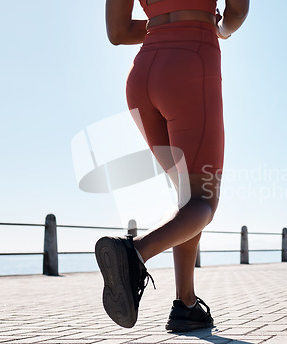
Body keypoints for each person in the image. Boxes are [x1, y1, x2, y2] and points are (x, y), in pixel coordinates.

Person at [95, 0, 249, 332]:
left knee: (186, 198)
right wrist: (219, 27)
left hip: (142, 76)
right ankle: (134, 252)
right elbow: (237, 10)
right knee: (203, 200)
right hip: (191, 63)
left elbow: (118, 32)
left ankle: (186, 305)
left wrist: (158, 24)